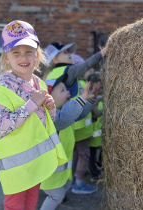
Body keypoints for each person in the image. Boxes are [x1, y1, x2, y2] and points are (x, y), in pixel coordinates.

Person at [0, 20, 67, 210]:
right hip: (15, 164)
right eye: (16, 52)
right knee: (15, 206)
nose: (24, 57)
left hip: (34, 160)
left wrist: (51, 107)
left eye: (29, 51)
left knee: (30, 205)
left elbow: (46, 122)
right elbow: (2, 126)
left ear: (37, 54)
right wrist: (31, 105)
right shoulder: (4, 86)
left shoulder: (38, 83)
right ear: (7, 57)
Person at [44, 42, 103, 194]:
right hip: (71, 126)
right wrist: (102, 53)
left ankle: (61, 190)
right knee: (78, 156)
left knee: (70, 160)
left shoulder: (52, 76)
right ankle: (67, 188)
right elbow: (85, 66)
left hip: (71, 124)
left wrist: (90, 99)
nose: (70, 54)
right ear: (55, 59)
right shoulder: (66, 72)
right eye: (65, 53)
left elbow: (79, 114)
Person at [39, 73, 100, 210]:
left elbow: (80, 113)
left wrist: (90, 99)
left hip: (61, 172)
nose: (68, 92)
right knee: (56, 196)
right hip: (50, 174)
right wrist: (82, 97)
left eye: (66, 89)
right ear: (48, 99)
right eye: (62, 90)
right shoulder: (51, 118)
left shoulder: (64, 111)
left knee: (65, 187)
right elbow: (67, 116)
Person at [87, 73, 103, 180]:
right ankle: (94, 174)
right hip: (92, 132)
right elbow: (96, 113)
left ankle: (97, 169)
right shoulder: (92, 97)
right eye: (101, 87)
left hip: (98, 132)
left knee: (97, 152)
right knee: (91, 154)